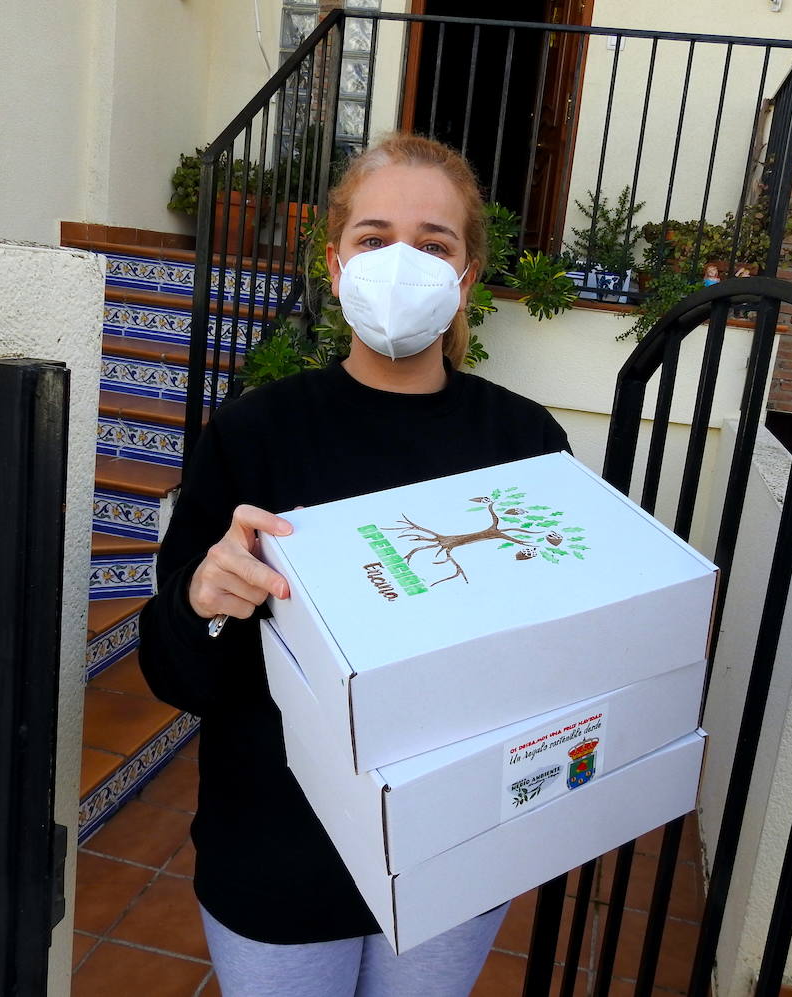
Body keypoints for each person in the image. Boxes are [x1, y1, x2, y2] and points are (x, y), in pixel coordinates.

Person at [139, 132, 570, 997]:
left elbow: (553, 658)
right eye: (374, 239)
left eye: (434, 245)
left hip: (453, 850)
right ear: (336, 268)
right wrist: (202, 598)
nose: (401, 262)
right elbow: (173, 671)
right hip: (277, 850)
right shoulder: (254, 433)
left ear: (466, 280)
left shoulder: (525, 444)